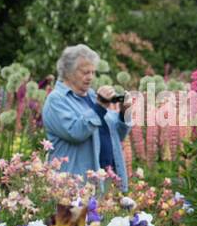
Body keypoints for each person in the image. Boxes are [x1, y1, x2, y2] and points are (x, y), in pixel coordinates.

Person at [41, 44, 131, 191]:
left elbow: (117, 135)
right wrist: (100, 105)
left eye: (92, 72)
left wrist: (123, 113)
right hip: (73, 187)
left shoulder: (91, 96)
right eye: (85, 72)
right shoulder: (56, 100)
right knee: (73, 215)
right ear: (68, 72)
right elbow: (75, 132)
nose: (90, 77)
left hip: (105, 184)